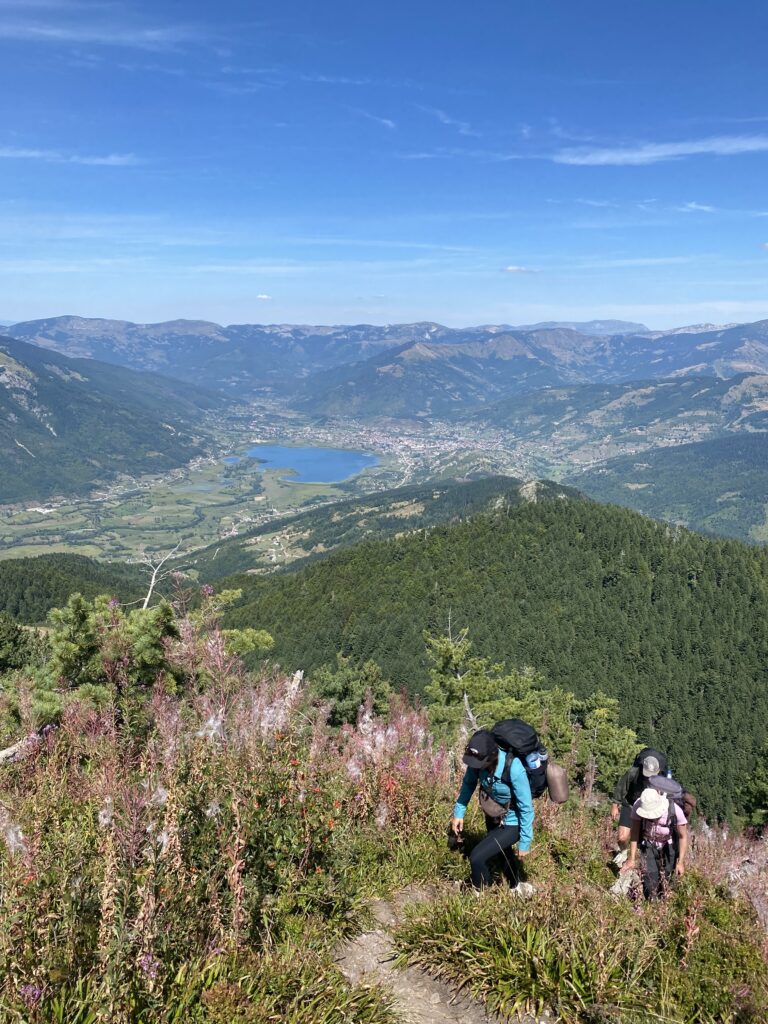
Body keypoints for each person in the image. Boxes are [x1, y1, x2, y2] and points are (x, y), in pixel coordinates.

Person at [451, 728, 534, 889]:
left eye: (480, 764)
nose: (476, 767)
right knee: (503, 852)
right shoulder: (478, 760)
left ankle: (478, 892)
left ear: (491, 756)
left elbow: (526, 808)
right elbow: (468, 785)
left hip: (512, 822)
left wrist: (525, 841)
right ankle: (515, 886)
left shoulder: (514, 768)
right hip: (493, 815)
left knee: (476, 857)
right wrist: (458, 813)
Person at [620, 786, 688, 899]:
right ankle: (651, 904)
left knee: (668, 878)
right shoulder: (638, 805)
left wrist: (680, 862)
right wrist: (631, 859)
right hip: (648, 843)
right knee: (649, 879)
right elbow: (635, 832)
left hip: (668, 844)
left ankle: (664, 903)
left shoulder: (674, 810)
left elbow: (683, 836)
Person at [611, 747, 668, 861]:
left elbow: (664, 797)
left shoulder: (661, 778)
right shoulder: (633, 772)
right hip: (631, 803)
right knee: (622, 838)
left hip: (647, 809)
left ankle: (634, 861)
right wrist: (615, 805)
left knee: (640, 841)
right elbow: (622, 786)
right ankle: (623, 852)